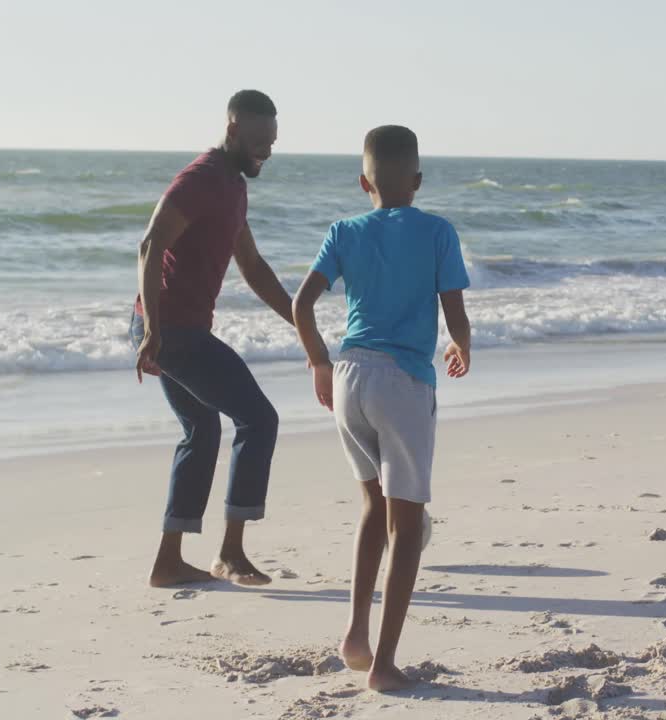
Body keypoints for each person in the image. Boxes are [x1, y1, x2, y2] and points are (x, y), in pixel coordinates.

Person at [292, 125, 472, 692]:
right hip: (404, 383)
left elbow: (301, 303)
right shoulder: (438, 231)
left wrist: (319, 362)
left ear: (363, 181)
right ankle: (384, 663)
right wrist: (461, 346)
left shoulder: (343, 230)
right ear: (417, 181)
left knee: (371, 507)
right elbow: (454, 312)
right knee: (408, 522)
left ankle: (354, 633)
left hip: (350, 376)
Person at [131, 90, 299, 587]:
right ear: (231, 131)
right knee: (258, 418)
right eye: (256, 142)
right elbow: (150, 243)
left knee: (201, 432)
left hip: (176, 329)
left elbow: (252, 266)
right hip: (171, 330)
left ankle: (168, 563)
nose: (264, 153)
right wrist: (154, 333)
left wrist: (300, 319)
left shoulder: (233, 185)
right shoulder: (202, 179)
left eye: (270, 143)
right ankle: (229, 553)